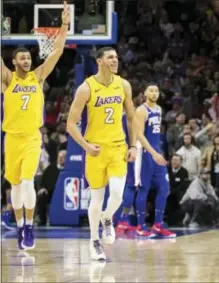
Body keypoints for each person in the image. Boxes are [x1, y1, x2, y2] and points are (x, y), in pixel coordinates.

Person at [67, 48, 166, 260]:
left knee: (118, 194)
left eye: (116, 57)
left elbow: (132, 119)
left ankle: (107, 218)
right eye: (110, 57)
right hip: (95, 150)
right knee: (96, 198)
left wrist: (132, 146)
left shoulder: (123, 85)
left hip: (117, 147)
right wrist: (85, 146)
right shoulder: (86, 88)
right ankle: (94, 241)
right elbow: (70, 124)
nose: (115, 60)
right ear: (99, 61)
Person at [1, 1, 70, 250]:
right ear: (14, 61)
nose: (27, 60)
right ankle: (20, 227)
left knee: (28, 182)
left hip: (31, 137)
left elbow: (58, 50)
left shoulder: (38, 76)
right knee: (16, 186)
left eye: (29, 57)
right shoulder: (7, 79)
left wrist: (64, 24)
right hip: (11, 138)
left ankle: (29, 226)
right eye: (22, 58)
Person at [116, 83, 176, 238]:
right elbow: (139, 135)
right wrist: (153, 153)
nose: (154, 93)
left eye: (157, 91)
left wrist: (158, 151)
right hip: (144, 153)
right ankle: (140, 225)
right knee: (141, 188)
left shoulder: (159, 109)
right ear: (144, 93)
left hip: (156, 151)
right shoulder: (141, 110)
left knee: (165, 187)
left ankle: (158, 224)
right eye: (151, 90)